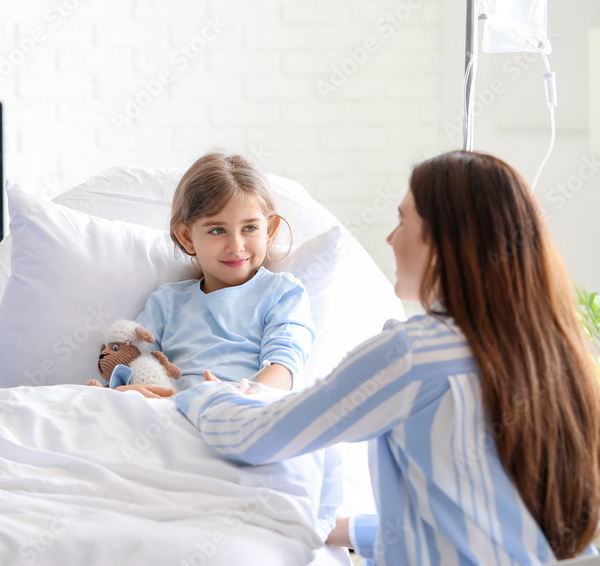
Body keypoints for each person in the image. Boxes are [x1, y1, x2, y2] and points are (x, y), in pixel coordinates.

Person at [174, 151, 600, 564]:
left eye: (402, 220)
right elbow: (477, 526)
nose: (390, 238)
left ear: (444, 240)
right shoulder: (550, 350)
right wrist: (341, 530)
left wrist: (203, 394)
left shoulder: (414, 354)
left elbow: (259, 437)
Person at [119, 152, 315, 397]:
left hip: (247, 410)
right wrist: (134, 391)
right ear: (187, 237)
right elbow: (133, 366)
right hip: (172, 412)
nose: (236, 246)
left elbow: (285, 367)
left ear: (270, 230)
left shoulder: (282, 293)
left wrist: (237, 399)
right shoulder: (167, 302)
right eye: (217, 230)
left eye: (250, 228)